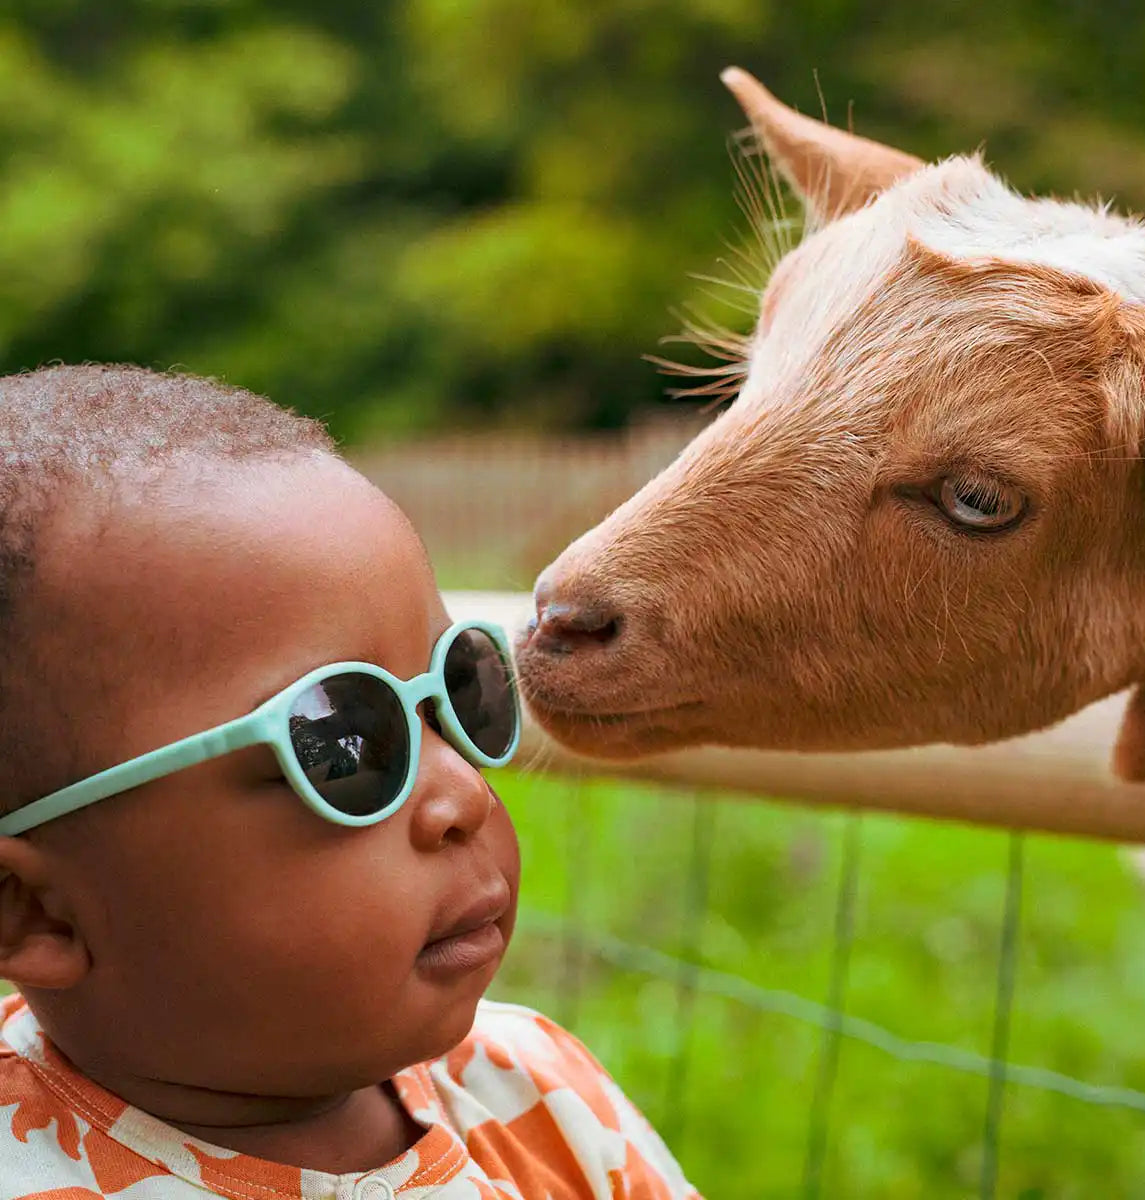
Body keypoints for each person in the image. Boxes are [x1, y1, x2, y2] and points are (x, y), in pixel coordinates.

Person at [0, 364, 698, 1200]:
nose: (464, 797)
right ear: (36, 913)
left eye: (460, 692)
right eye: (342, 741)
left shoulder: (538, 1098)